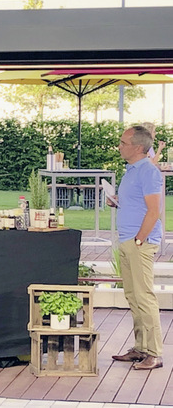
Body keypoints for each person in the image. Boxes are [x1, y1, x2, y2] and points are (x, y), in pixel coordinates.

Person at [109, 125, 164, 370]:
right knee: (132, 296)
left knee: (144, 297)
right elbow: (136, 202)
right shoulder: (130, 171)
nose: (119, 146)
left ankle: (154, 353)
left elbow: (154, 210)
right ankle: (141, 348)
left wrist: (139, 240)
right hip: (128, 240)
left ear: (138, 147)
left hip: (139, 243)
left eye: (123, 142)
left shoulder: (148, 172)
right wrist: (118, 202)